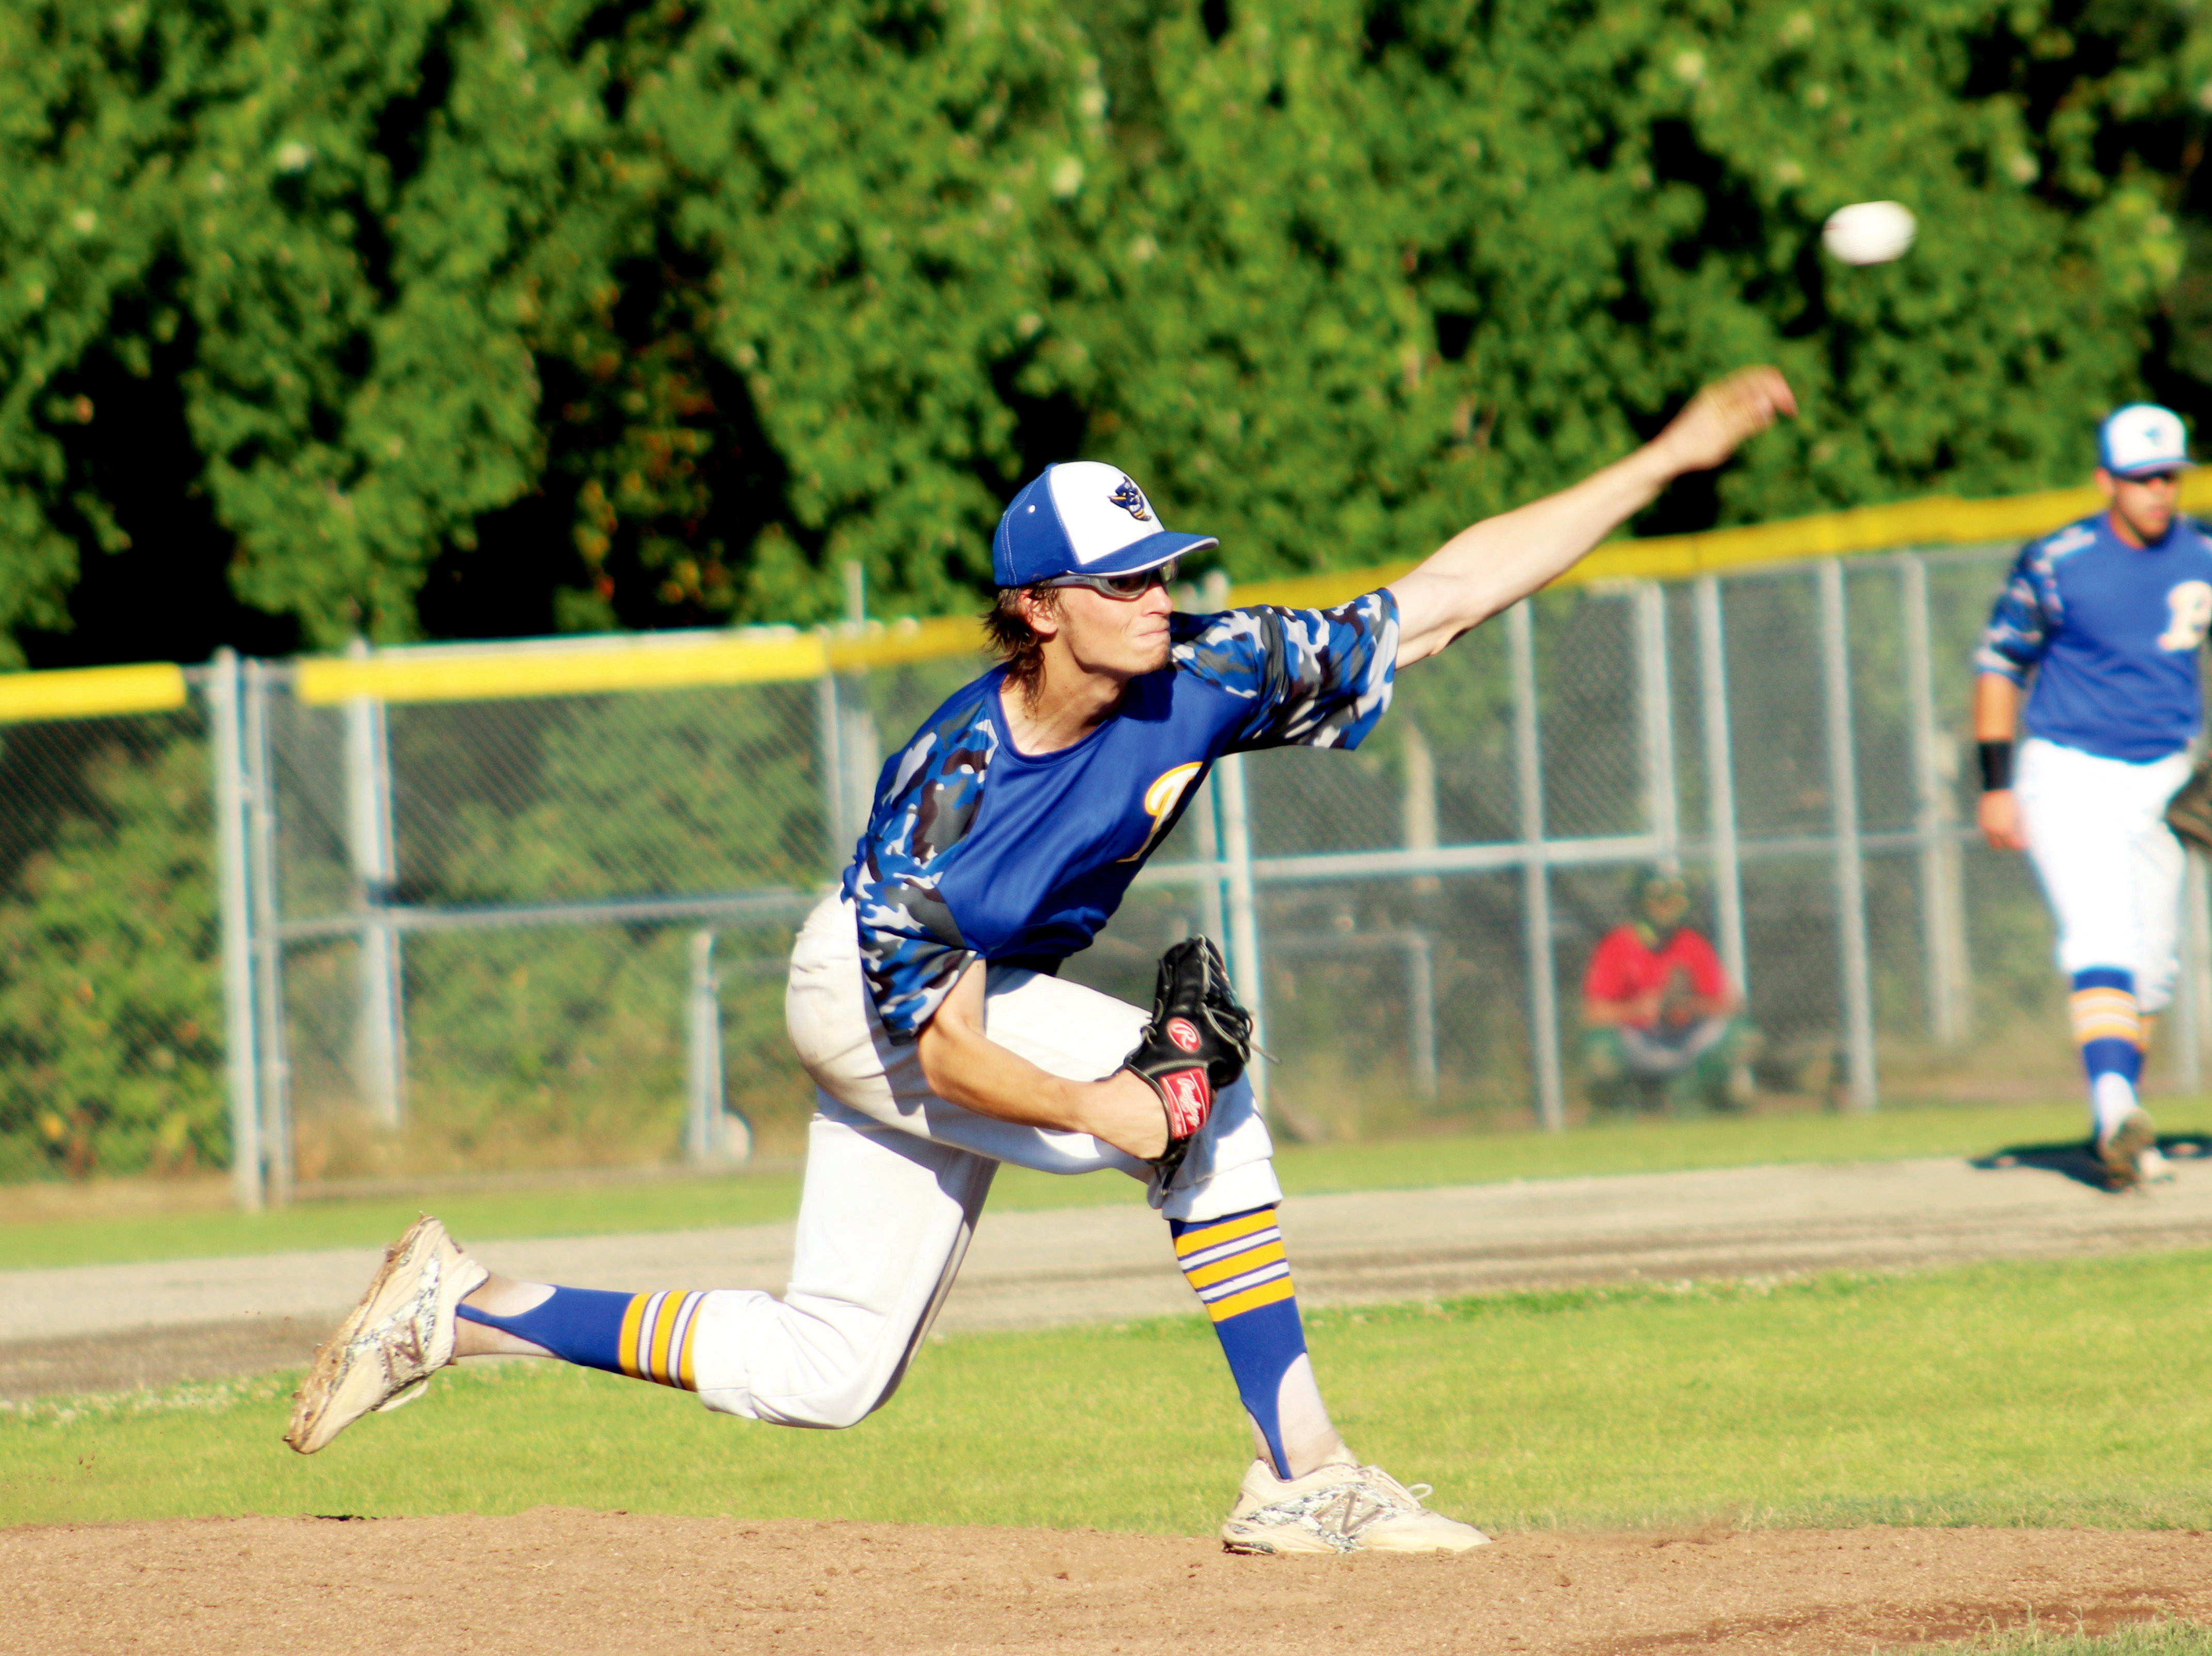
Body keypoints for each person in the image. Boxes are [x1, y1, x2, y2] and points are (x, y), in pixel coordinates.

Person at [286, 366, 1798, 1552]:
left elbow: (1442, 600)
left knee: (832, 1373)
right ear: (1037, 608)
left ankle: (463, 1307)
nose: (1159, 596)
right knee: (1208, 1115)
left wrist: (1665, 457)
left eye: (1161, 570)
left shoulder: (1206, 672)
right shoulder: (944, 796)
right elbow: (937, 1053)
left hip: (971, 1005)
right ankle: (1304, 1479)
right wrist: (1109, 1110)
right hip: (871, 997)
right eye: (1124, 581)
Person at [1973, 403, 2212, 1188]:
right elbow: (2000, 666)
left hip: (2165, 775)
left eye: (2168, 476)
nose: (2157, 492)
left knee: (2155, 966)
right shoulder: (2059, 560)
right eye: (2140, 479)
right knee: (2098, 932)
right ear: (2107, 481)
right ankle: (2113, 1109)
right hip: (2068, 769)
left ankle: (2121, 1118)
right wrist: (1996, 786)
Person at [1581, 868, 1753, 1113]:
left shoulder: (1690, 943)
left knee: (1741, 1035)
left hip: (1682, 1036)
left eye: (1673, 903)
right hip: (1639, 1038)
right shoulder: (1618, 945)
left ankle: (1695, 1097)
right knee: (1601, 1049)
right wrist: (1637, 1009)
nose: (1666, 910)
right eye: (1659, 903)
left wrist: (1688, 1006)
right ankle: (1617, 1111)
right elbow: (1592, 1013)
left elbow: (1731, 1003)